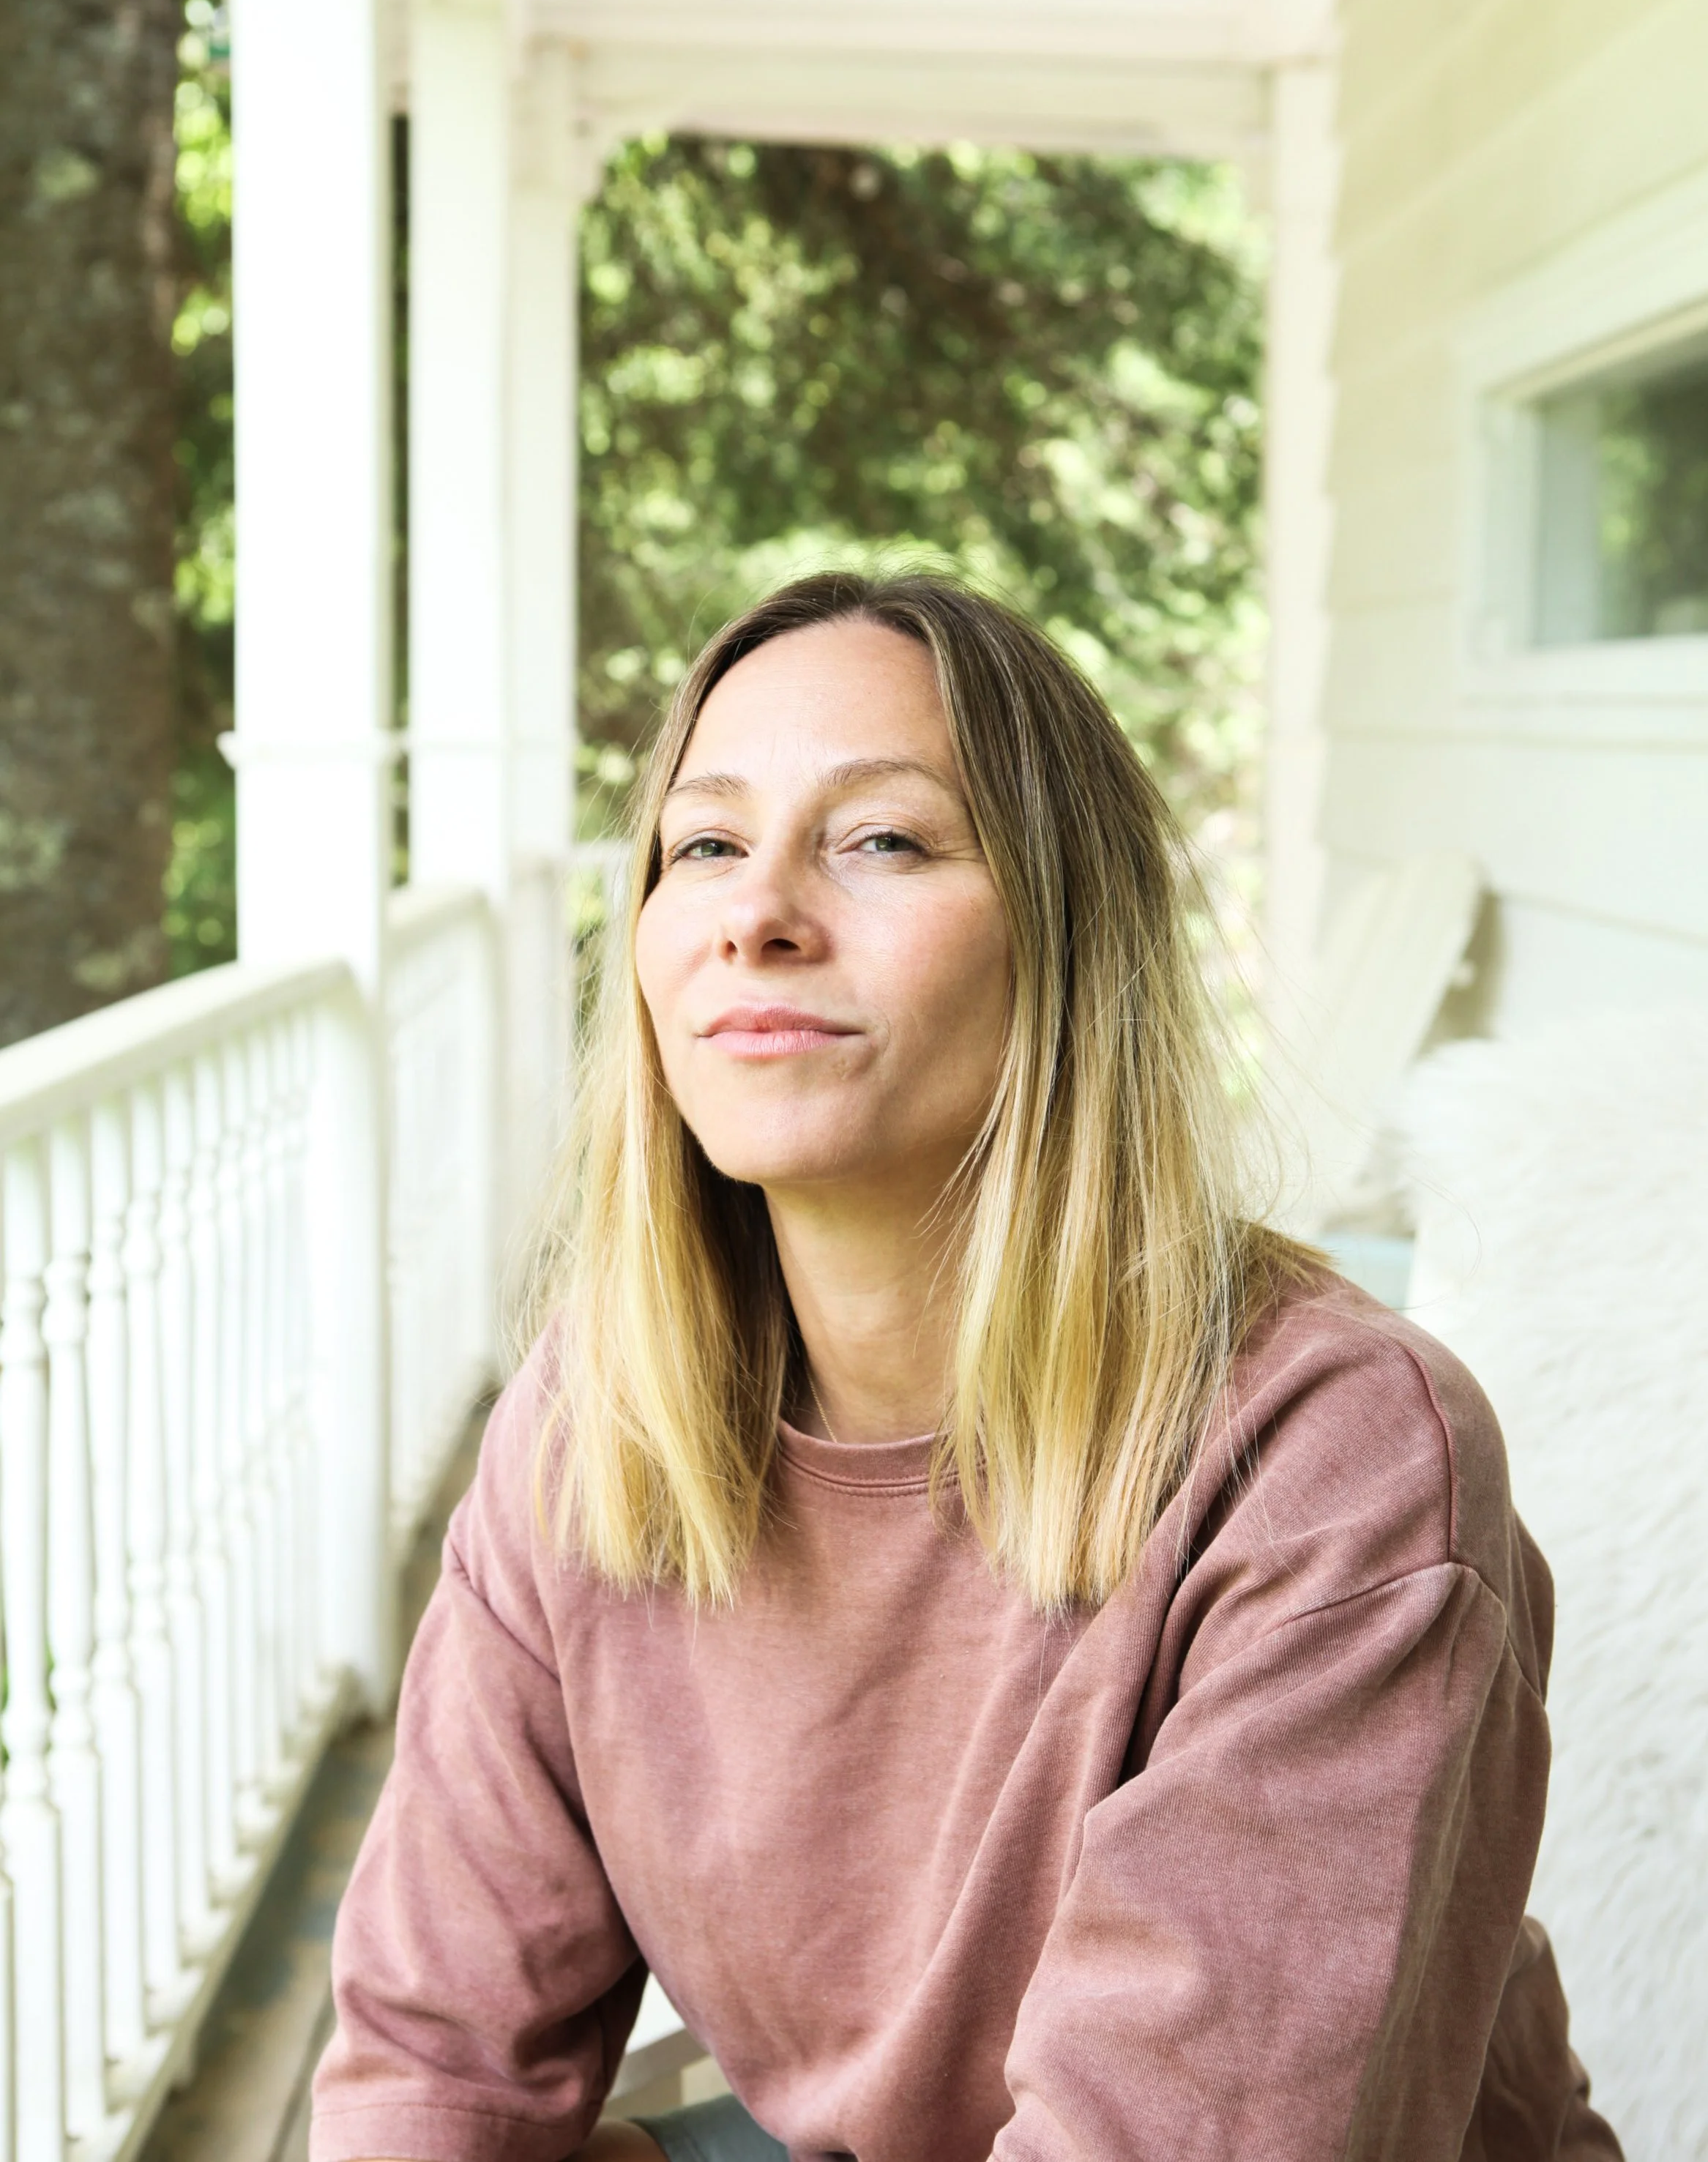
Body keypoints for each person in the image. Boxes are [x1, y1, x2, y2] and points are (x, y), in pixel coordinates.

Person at [312, 572, 1619, 2162]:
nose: (755, 914)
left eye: (881, 840)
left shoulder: (1332, 1457)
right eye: (704, 844)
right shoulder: (600, 1423)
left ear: (1066, 941)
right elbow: (432, 2062)